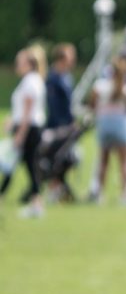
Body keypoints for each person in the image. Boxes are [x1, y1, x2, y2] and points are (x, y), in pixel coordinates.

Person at [88, 57, 126, 207]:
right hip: (120, 126)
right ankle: (125, 194)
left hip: (104, 125)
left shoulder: (99, 86)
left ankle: (99, 194)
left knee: (103, 162)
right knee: (124, 162)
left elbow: (91, 105)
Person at [5, 46, 47, 218]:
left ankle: (37, 202)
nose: (17, 65)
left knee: (29, 165)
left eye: (20, 62)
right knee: (17, 164)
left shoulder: (31, 81)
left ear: (29, 64)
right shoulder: (29, 80)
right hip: (27, 128)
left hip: (29, 130)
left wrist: (20, 133)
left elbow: (28, 112)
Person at [44, 42, 77, 202]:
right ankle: (54, 188)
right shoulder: (52, 78)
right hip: (57, 126)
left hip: (68, 125)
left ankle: (58, 187)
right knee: (56, 158)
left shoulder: (67, 77)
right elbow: (53, 105)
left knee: (68, 158)